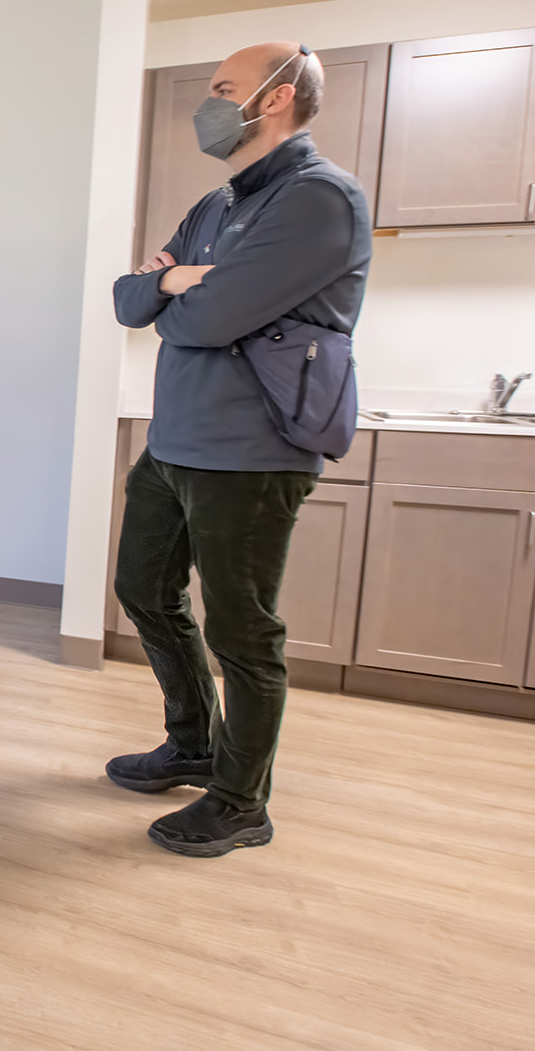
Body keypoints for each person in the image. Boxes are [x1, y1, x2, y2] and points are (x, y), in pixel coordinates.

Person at [110, 43, 371, 857]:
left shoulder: (320, 198)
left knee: (241, 629)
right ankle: (192, 743)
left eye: (225, 89)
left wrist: (185, 289)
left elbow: (210, 318)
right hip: (175, 442)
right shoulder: (217, 203)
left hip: (252, 452)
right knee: (144, 589)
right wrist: (174, 281)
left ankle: (239, 799)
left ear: (278, 96)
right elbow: (129, 301)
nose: (211, 104)